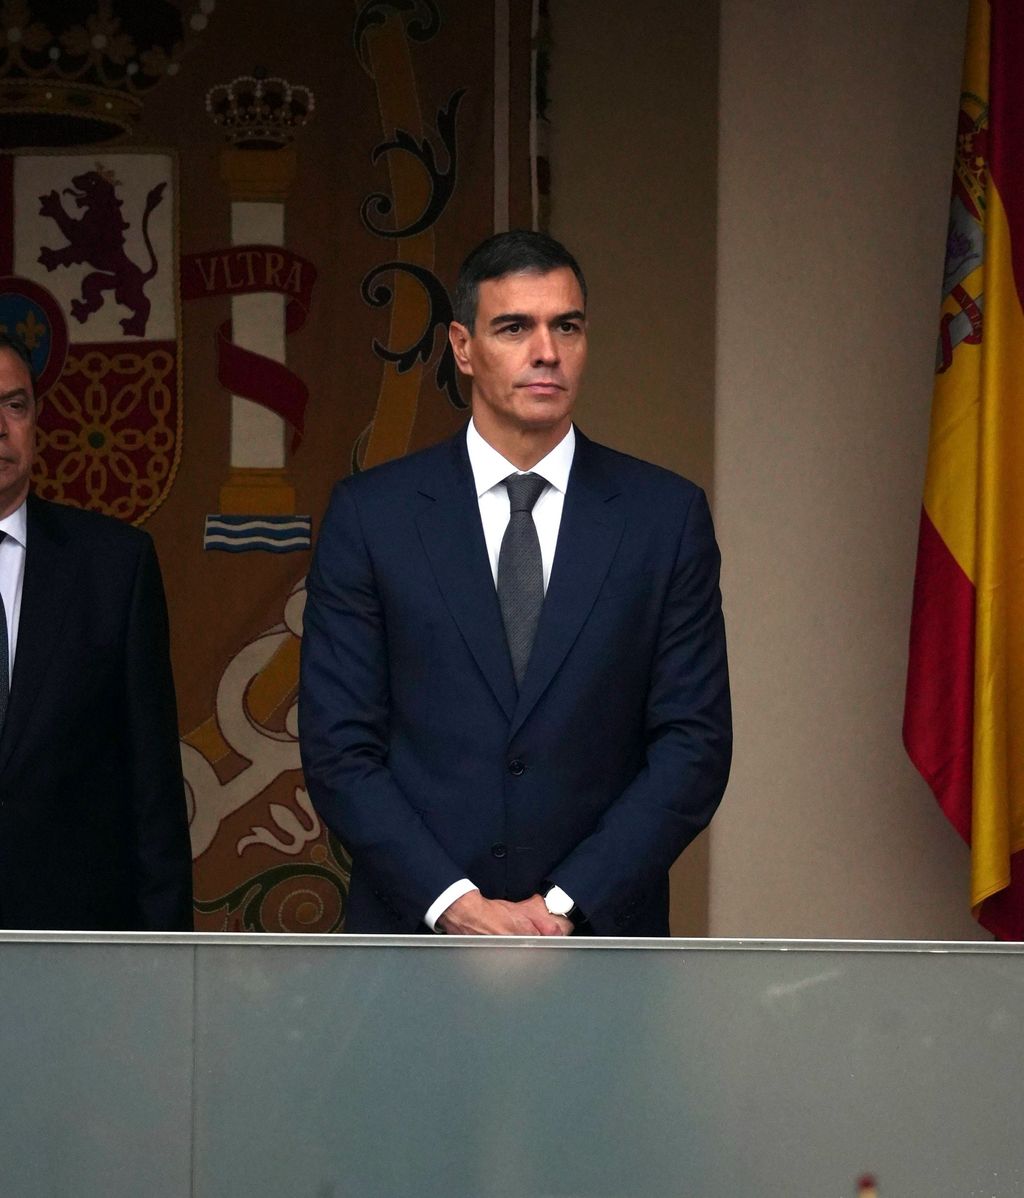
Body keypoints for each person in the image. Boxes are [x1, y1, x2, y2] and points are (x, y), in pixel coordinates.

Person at [300, 230, 731, 935]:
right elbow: (339, 746)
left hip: (600, 942)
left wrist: (561, 907)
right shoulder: (372, 516)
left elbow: (694, 745)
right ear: (463, 347)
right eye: (514, 327)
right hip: (414, 942)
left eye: (567, 325)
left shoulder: (664, 516)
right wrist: (456, 906)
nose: (547, 352)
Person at [0, 331, 192, 930]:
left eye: (15, 405)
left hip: (77, 946)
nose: (1, 427)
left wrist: (165, 960)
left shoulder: (114, 565)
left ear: (36, 422)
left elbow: (153, 789)